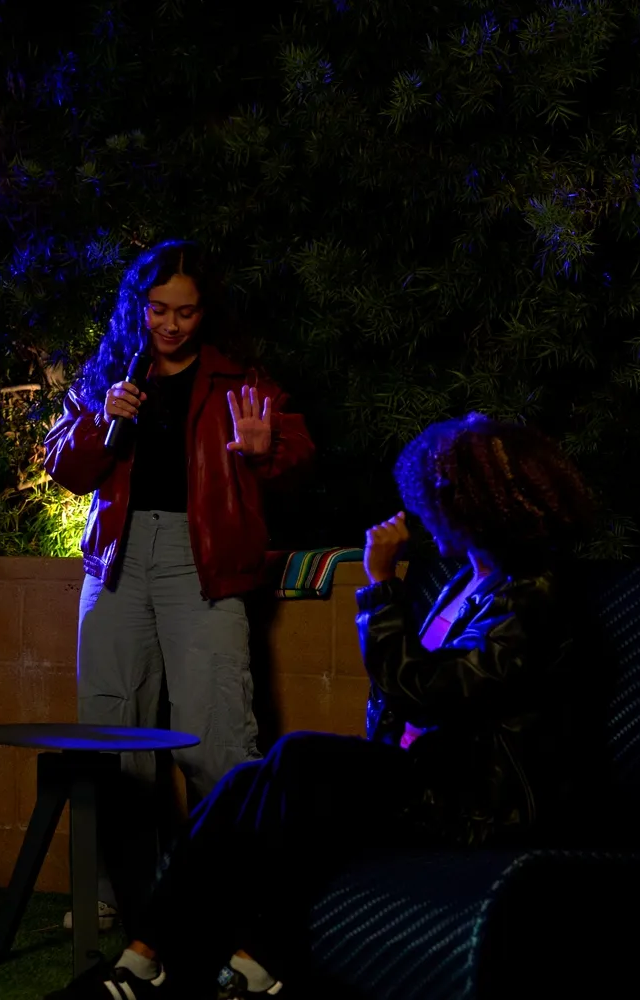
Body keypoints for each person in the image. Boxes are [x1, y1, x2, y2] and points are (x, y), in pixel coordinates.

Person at [45, 413, 596, 1000]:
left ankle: (254, 959)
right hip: (432, 776)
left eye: (439, 502)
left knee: (301, 758)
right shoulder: (469, 582)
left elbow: (430, 692)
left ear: (474, 505)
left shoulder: (535, 596)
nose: (427, 515)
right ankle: (145, 957)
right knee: (245, 784)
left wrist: (379, 586)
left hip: (481, 801)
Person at [43, 240, 314, 926]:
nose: (170, 324)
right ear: (138, 307)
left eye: (185, 312)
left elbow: (297, 449)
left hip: (204, 560)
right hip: (117, 559)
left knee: (214, 734)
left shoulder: (236, 379)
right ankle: (116, 892)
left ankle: (236, 901)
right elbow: (64, 466)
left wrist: (267, 450)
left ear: (206, 311)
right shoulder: (111, 373)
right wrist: (105, 421)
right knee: (111, 731)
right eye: (158, 309)